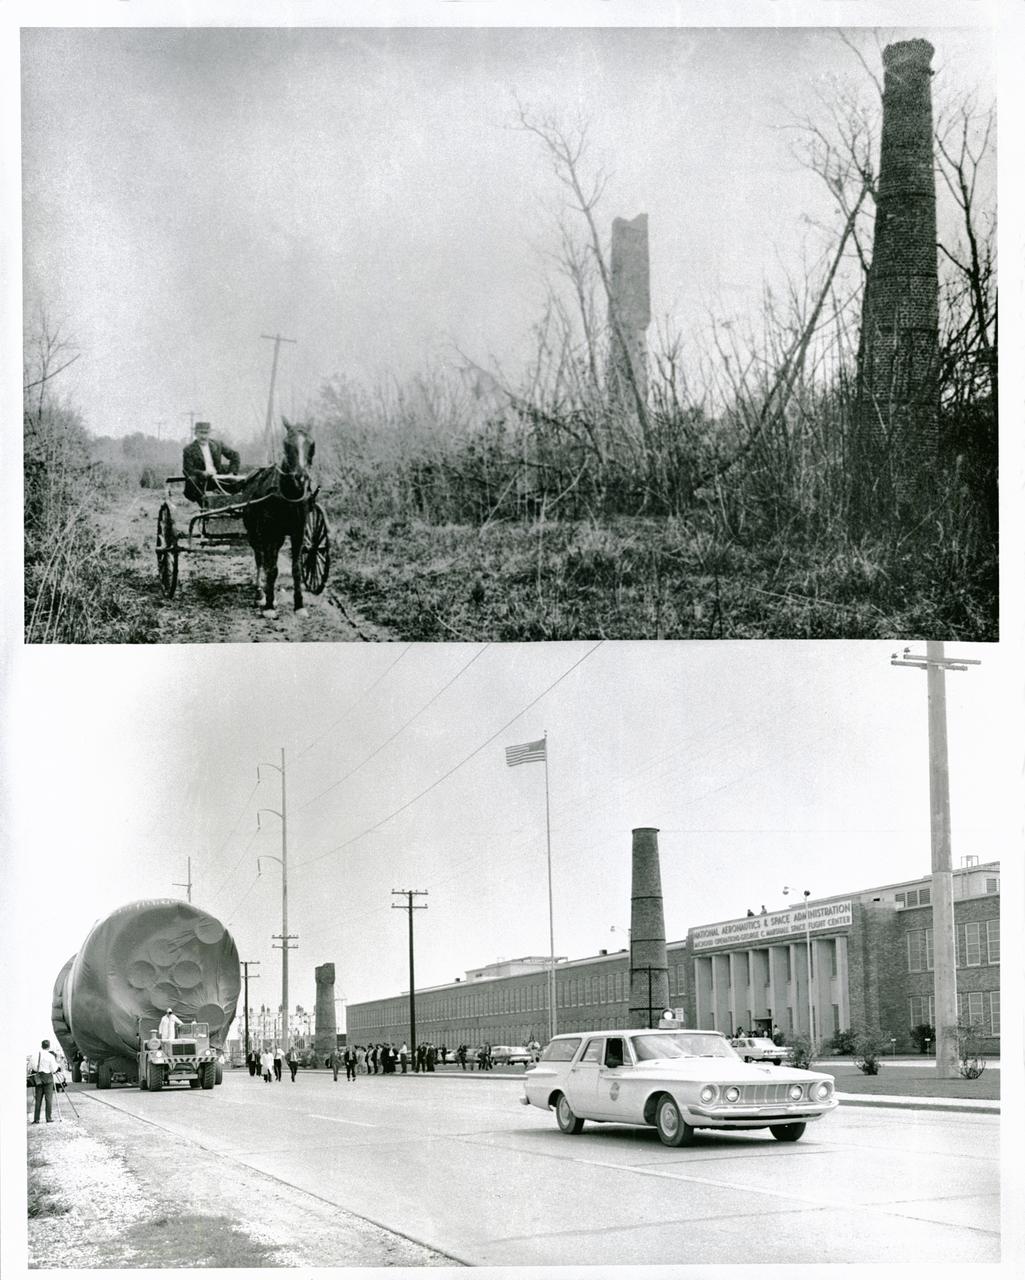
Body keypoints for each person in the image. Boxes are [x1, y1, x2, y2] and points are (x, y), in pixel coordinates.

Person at [182, 421, 242, 504]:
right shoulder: (189, 449)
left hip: (218, 478)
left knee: (241, 483)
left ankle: (234, 504)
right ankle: (205, 504)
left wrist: (232, 473)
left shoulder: (218, 444)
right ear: (195, 433)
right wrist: (203, 473)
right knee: (193, 481)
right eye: (201, 433)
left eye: (206, 433)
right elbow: (187, 469)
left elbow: (235, 455)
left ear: (209, 433)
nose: (204, 436)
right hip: (201, 481)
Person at [30, 1039, 58, 1124]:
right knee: (48, 1099)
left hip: (39, 1077)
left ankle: (36, 1119)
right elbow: (53, 1069)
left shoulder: (36, 1055)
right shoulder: (51, 1056)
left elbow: (34, 1067)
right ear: (49, 1046)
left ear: (41, 1046)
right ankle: (48, 1118)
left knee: (38, 1099)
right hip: (48, 1077)